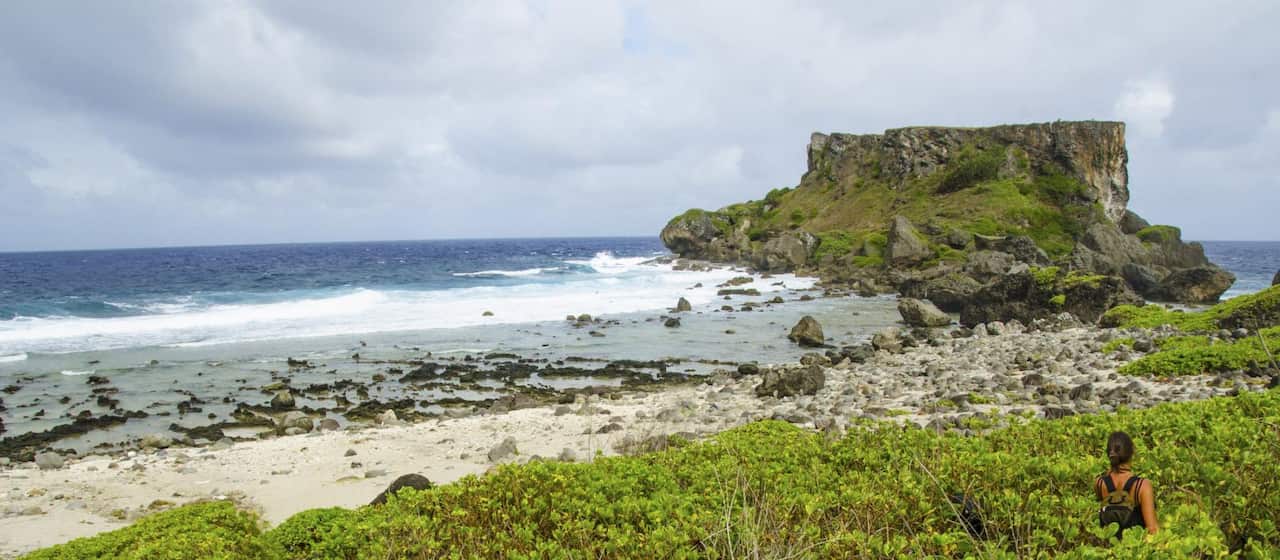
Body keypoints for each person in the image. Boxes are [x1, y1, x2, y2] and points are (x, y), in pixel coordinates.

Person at [1095, 431, 1159, 537]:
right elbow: (1152, 529)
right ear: (1132, 452)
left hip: (1109, 548)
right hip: (1136, 549)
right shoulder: (1142, 485)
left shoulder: (1099, 483)